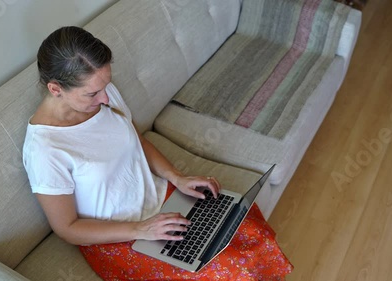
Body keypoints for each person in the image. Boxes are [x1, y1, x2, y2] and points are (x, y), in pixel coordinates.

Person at [23, 26, 292, 280]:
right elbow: (67, 229)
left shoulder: (103, 96)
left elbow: (134, 139)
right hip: (120, 237)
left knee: (249, 227)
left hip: (161, 199)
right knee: (230, 272)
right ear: (56, 89)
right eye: (92, 93)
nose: (105, 98)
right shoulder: (45, 150)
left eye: (106, 86)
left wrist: (177, 178)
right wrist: (142, 229)